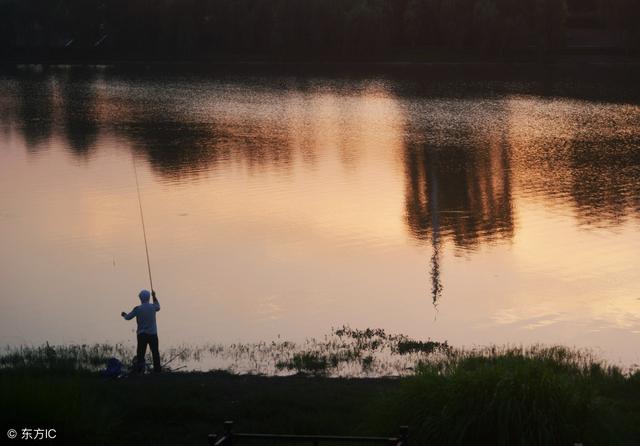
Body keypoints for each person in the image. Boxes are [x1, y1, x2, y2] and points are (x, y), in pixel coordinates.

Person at [121, 289, 161, 373]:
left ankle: (139, 370)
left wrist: (124, 314)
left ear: (141, 298)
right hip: (153, 334)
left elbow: (128, 317)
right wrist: (154, 296)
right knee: (155, 352)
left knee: (141, 354)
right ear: (148, 297)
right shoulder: (153, 307)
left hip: (141, 335)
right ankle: (157, 371)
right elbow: (158, 306)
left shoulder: (137, 309)